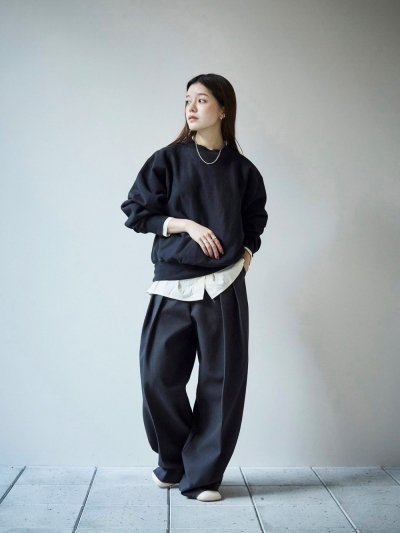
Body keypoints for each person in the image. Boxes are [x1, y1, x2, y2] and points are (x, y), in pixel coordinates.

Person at [120, 73, 268, 502]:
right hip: (172, 282)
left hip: (224, 284)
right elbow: (136, 211)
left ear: (223, 110)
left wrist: (246, 252)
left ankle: (202, 477)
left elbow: (255, 220)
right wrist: (185, 224)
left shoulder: (243, 171)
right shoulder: (167, 160)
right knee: (157, 377)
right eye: (188, 99)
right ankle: (175, 462)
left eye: (202, 100)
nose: (191, 107)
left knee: (222, 384)